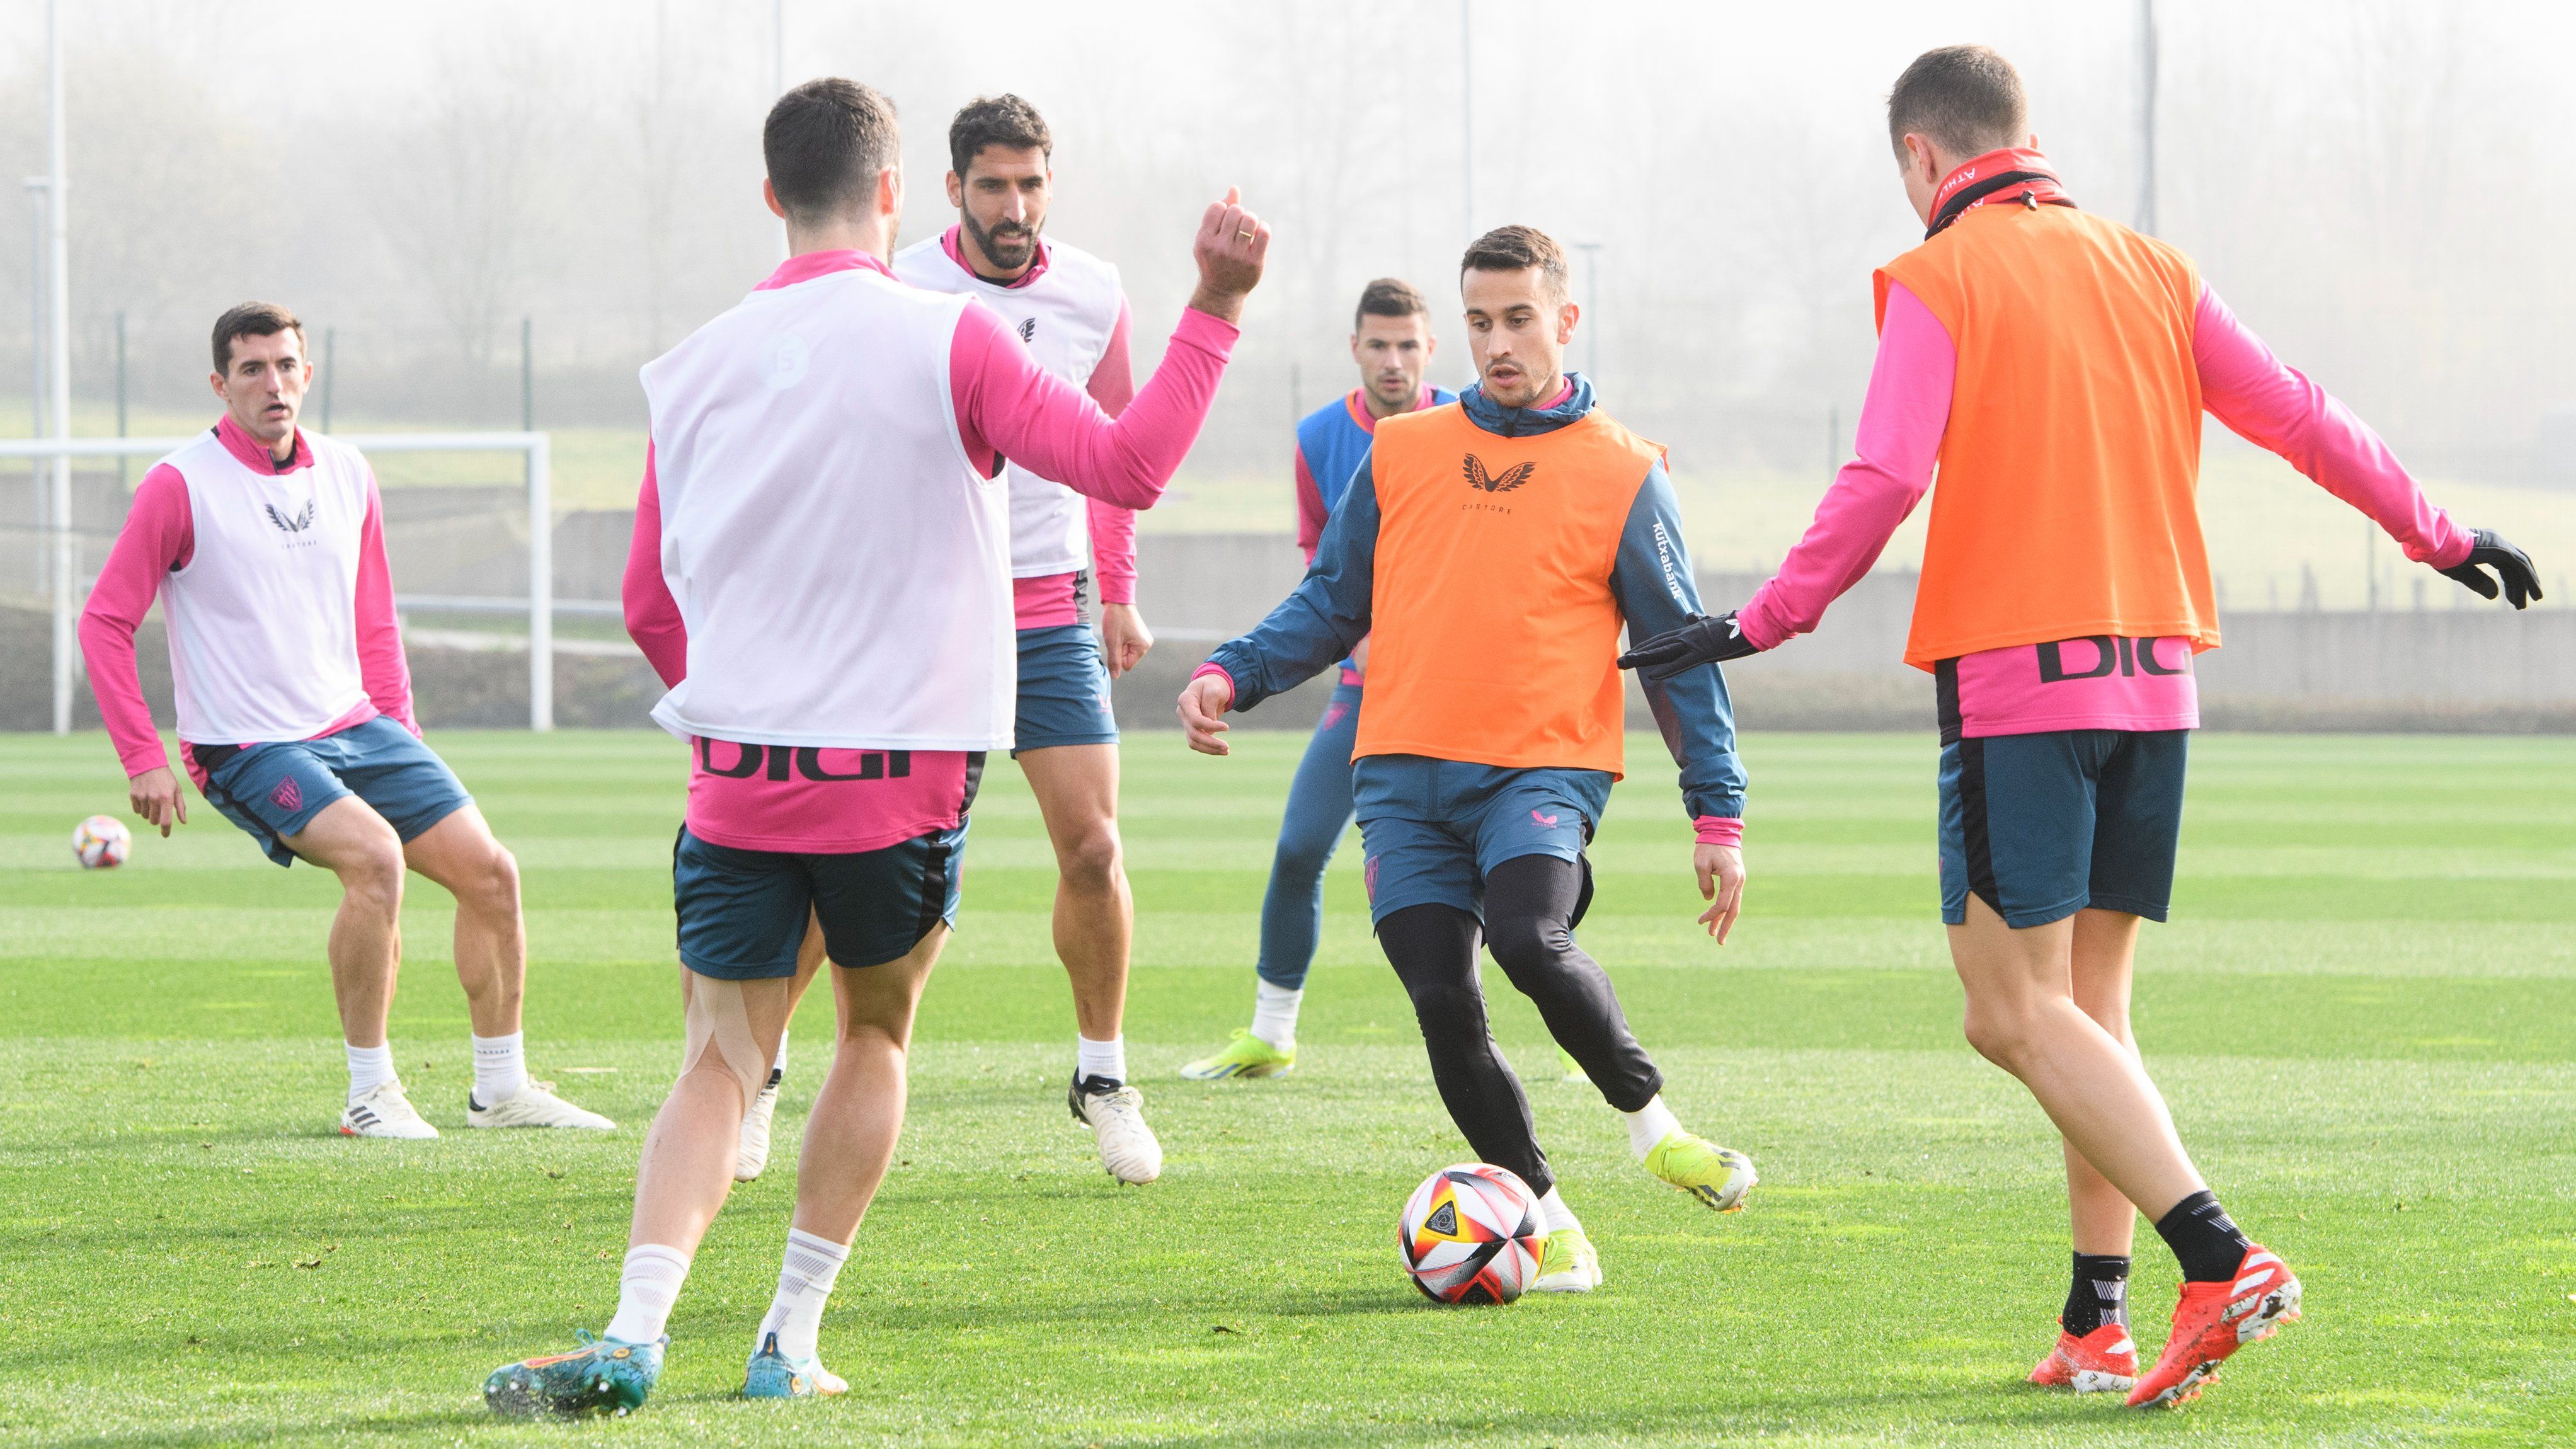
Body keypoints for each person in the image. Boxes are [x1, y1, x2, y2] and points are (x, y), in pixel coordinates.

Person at [1619, 45, 2544, 1410]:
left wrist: (1762, 623)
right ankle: (2096, 1317)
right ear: (2021, 137)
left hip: (2019, 692)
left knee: (2007, 1014)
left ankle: (2217, 1256)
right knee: (2088, 1016)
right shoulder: (2152, 268)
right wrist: (2437, 532)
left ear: (1921, 162)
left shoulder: (1938, 276)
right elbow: (2293, 410)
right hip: (2157, 682)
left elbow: (1884, 473)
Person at [483, 78, 1266, 1416]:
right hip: (895, 779)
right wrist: (1215, 308)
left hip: (737, 775)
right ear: (901, 191)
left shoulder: (693, 364)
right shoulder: (948, 341)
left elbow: (644, 607)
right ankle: (786, 1337)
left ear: (772, 195)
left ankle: (632, 1328)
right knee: (875, 1035)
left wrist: (740, 700)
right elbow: (1125, 467)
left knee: (722, 1059)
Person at [1177, 226, 1756, 1297]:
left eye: (1519, 319)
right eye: (1480, 322)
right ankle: (1545, 1212)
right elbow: (1330, 601)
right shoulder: (1401, 453)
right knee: (1443, 999)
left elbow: (1676, 653)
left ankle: (1652, 1127)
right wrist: (1233, 672)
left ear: (1563, 320)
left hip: (1540, 771)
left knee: (1531, 941)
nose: (1497, 343)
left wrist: (1714, 814)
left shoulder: (1626, 471)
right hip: (1398, 775)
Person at [79, 302, 612, 1142]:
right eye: (251, 370)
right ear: (220, 385)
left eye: (286, 365)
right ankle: (370, 1095)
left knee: (493, 874)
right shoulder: (179, 487)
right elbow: (105, 620)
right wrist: (145, 756)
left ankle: (501, 1092)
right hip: (245, 742)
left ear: (308, 374)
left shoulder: (349, 472)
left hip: (359, 725)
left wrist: (400, 730)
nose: (273, 384)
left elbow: (376, 620)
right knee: (375, 861)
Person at [1181, 277, 1455, 1080]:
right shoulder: (1317, 436)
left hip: (1459, 692)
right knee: (1301, 847)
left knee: (1509, 873)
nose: (1394, 361)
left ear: (1431, 349)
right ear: (1356, 348)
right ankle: (1272, 1031)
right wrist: (1359, 639)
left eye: (1409, 345)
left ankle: (1572, 1022)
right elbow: (1320, 564)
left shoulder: (1472, 420)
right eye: (1379, 344)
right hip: (1366, 690)